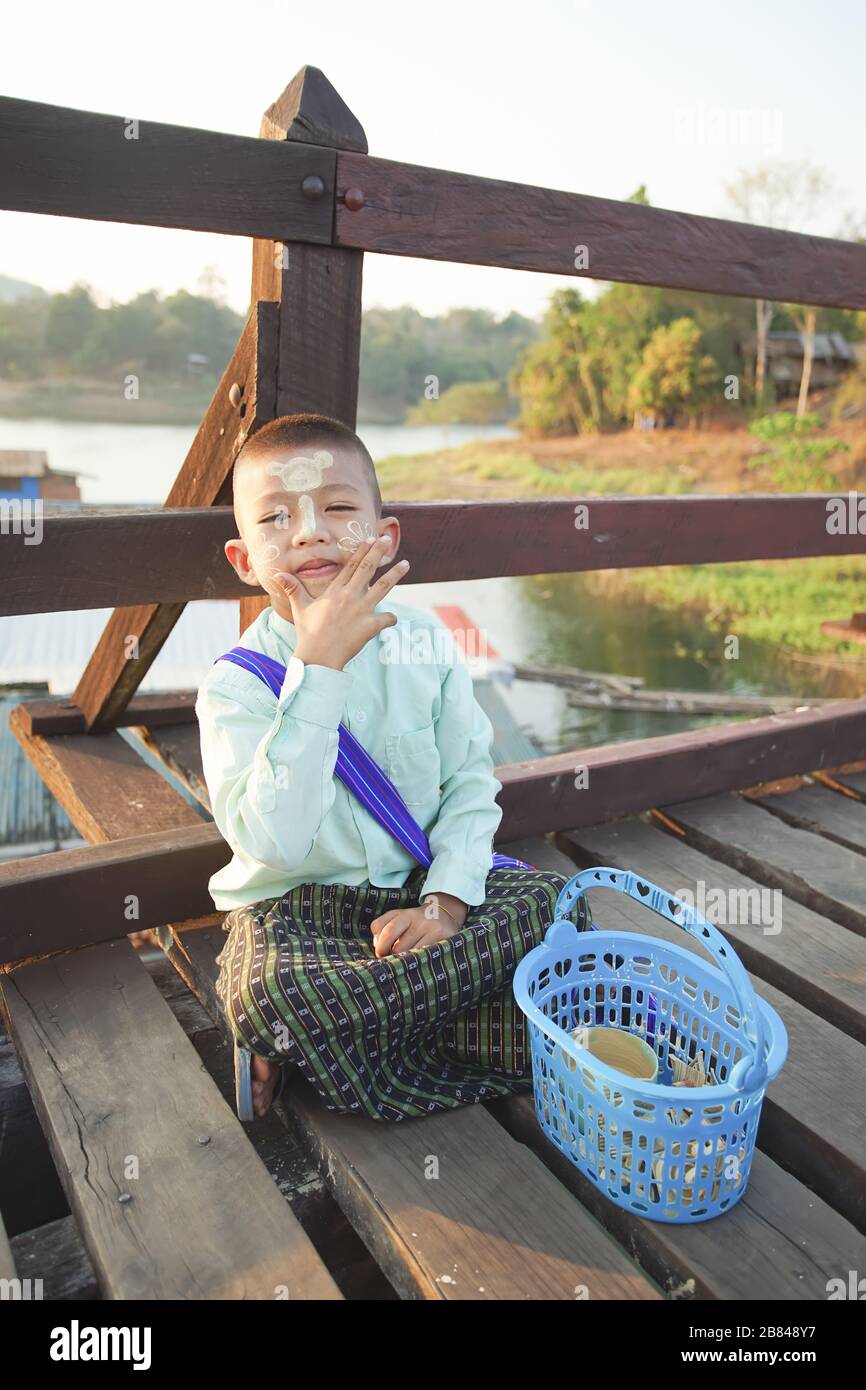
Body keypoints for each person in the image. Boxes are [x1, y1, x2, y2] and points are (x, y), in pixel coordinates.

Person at [195, 412, 592, 1121]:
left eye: (339, 508)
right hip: (303, 915)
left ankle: (328, 1046)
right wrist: (317, 669)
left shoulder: (426, 641)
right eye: (277, 518)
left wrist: (444, 905)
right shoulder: (235, 686)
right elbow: (277, 845)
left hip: (417, 892)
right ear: (245, 560)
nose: (310, 531)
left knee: (552, 905)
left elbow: (470, 782)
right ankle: (445, 1027)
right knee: (267, 991)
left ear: (384, 538)